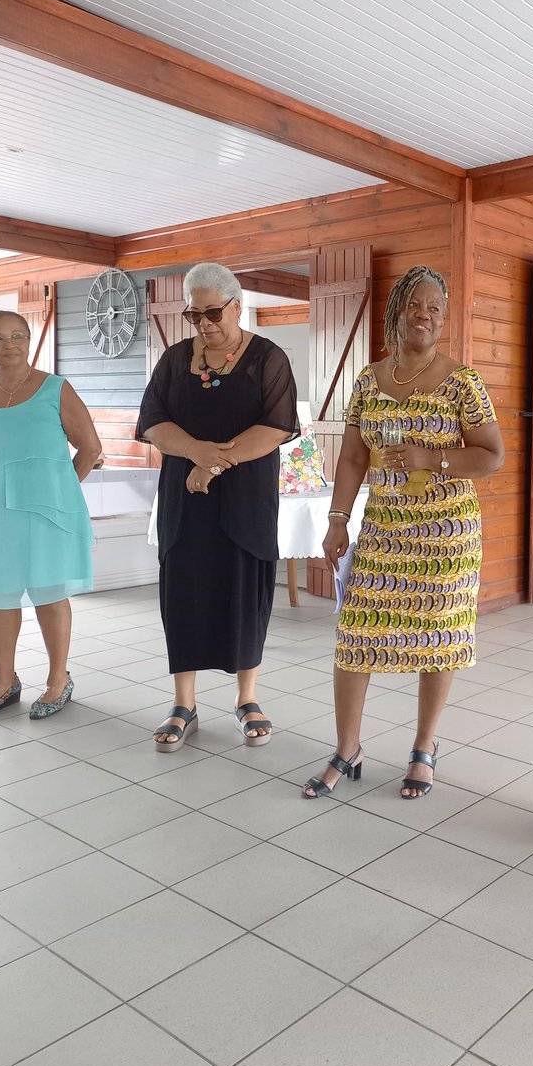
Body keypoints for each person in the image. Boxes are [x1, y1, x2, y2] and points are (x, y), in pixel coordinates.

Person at [302, 264, 504, 799]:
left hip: (445, 534)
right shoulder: (368, 381)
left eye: (436, 308)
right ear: (397, 313)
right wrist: (338, 519)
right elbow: (350, 457)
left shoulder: (463, 382)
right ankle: (348, 749)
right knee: (355, 636)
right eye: (416, 304)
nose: (426, 315)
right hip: (384, 528)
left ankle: (424, 747)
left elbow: (492, 456)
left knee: (438, 641)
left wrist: (431, 457)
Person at [136, 262, 298, 751]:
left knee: (245, 590)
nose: (204, 324)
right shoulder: (173, 360)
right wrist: (195, 453)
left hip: (246, 498)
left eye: (212, 313)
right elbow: (152, 421)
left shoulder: (268, 358)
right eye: (194, 315)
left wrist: (214, 463)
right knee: (183, 591)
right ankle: (183, 702)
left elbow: (276, 428)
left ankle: (247, 696)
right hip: (186, 499)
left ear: (236, 305)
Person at [0, 310, 100, 719]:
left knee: (49, 595)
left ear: (29, 341)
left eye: (18, 335)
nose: (10, 345)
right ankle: (5, 681)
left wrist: (61, 491)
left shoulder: (56, 388)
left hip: (46, 512)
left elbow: (90, 448)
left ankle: (58, 680)